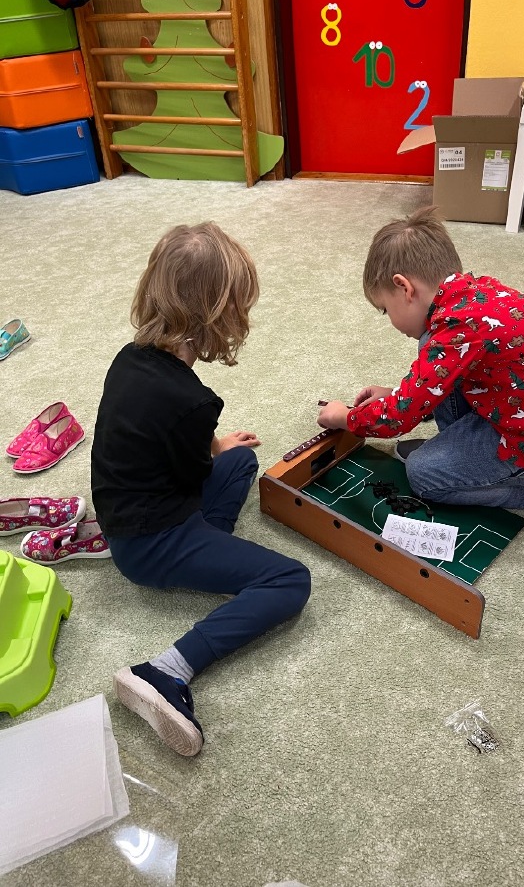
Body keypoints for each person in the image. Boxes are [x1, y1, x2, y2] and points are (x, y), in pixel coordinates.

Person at [91, 223, 311, 757]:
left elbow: (165, 437)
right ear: (220, 314)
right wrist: (206, 448)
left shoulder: (129, 357)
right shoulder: (192, 400)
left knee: (240, 458)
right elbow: (189, 473)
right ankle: (166, 671)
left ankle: (209, 550)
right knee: (290, 580)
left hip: (127, 513)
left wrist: (216, 445)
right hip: (150, 542)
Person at [317, 207, 524, 510]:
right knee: (429, 341)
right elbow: (436, 378)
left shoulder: (458, 329)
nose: (390, 319)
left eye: (386, 309)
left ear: (404, 288)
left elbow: (396, 420)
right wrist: (396, 395)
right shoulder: (470, 296)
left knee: (423, 474)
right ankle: (457, 450)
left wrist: (344, 418)